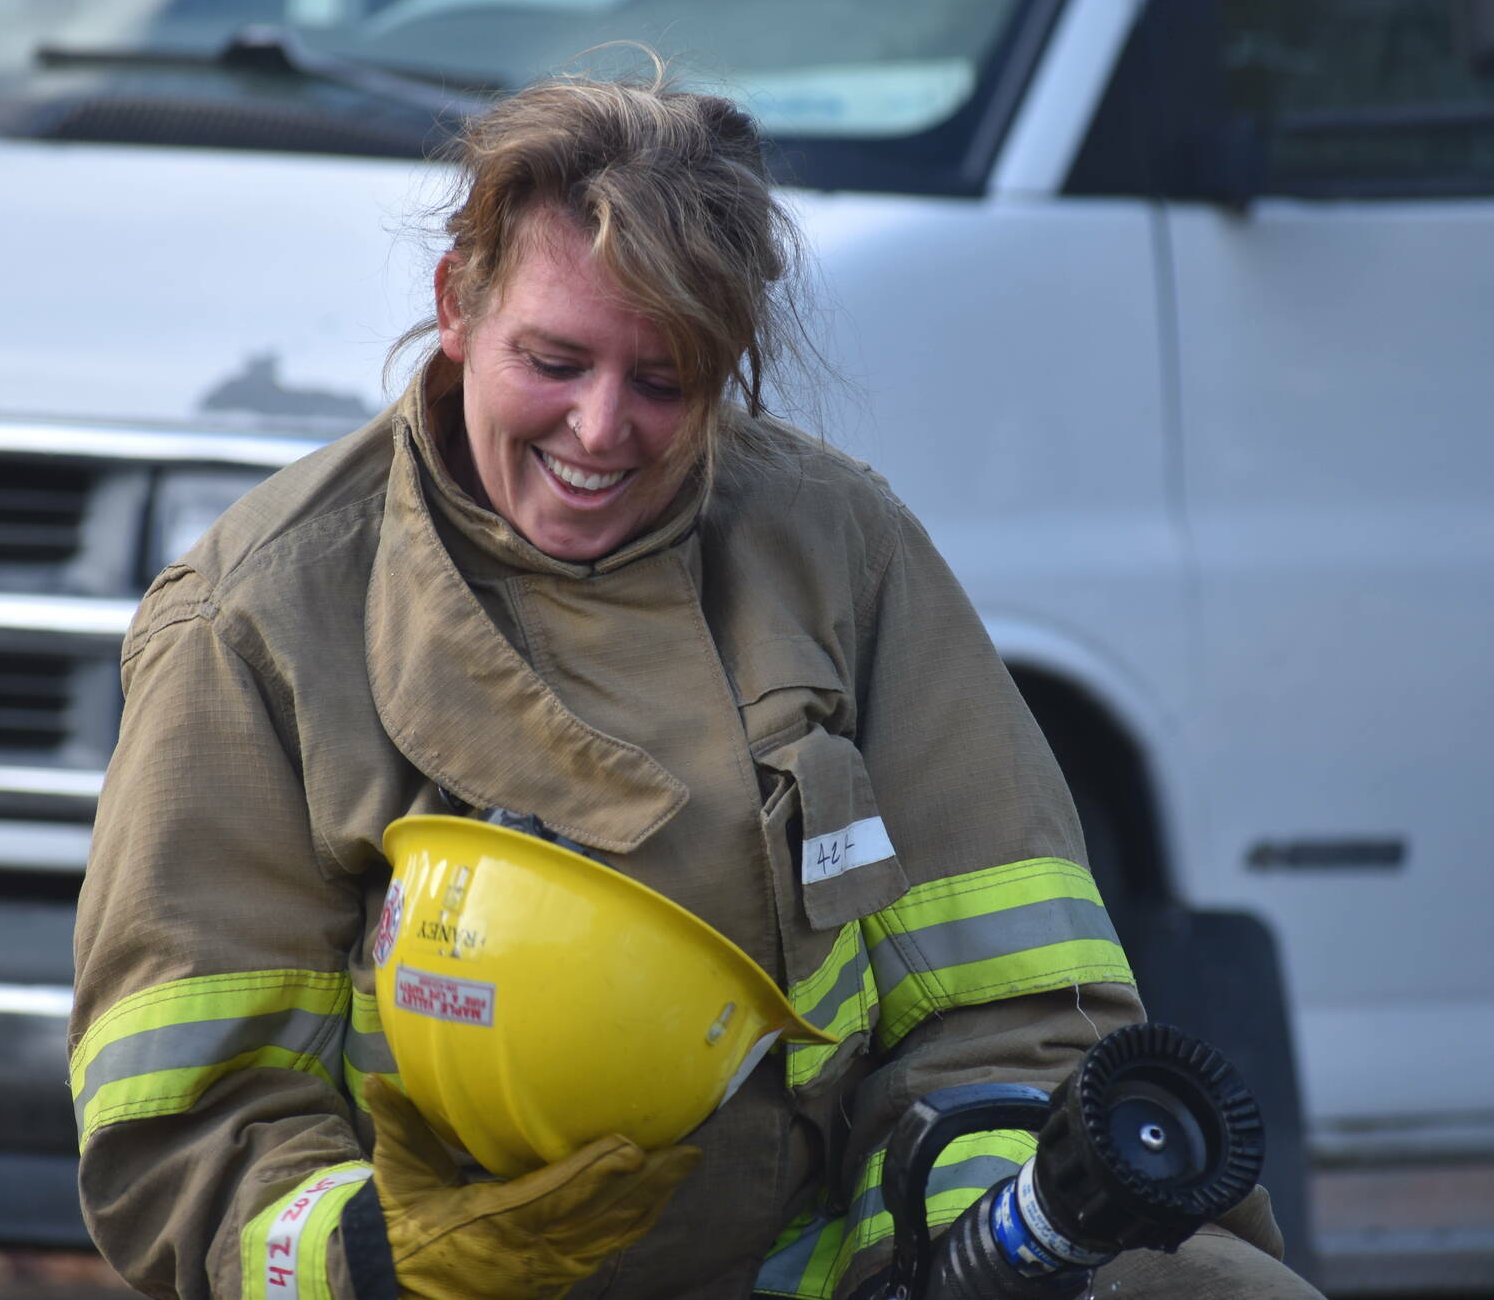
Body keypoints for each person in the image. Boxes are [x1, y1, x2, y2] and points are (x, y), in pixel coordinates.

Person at [68, 66, 1326, 1300]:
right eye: (553, 361)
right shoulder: (256, 617)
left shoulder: (838, 549)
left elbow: (1012, 1008)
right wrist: (389, 1259)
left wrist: (973, 1244)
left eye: (664, 381)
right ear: (456, 304)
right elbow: (188, 1120)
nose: (599, 429)